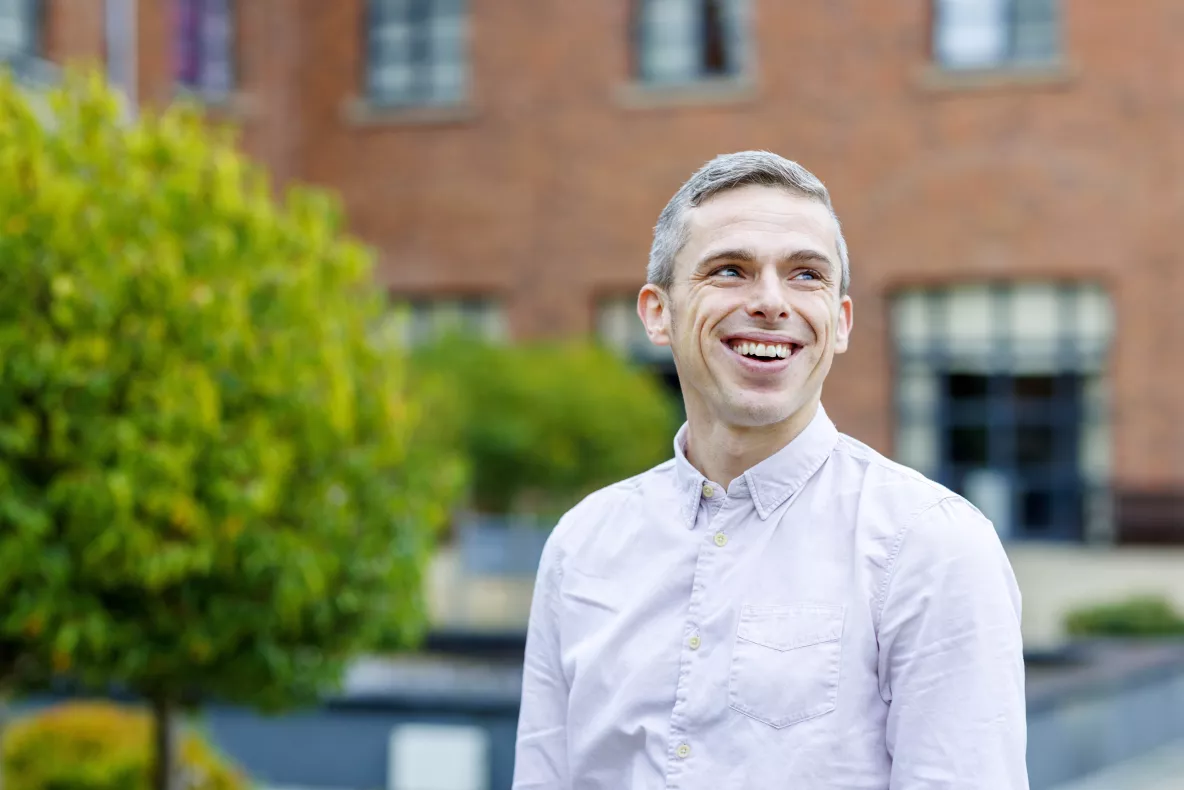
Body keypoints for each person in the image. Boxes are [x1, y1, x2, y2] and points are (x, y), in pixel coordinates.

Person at [511, 151, 1028, 789]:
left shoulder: (931, 546)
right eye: (730, 270)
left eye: (806, 275)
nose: (770, 302)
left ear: (839, 324)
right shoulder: (581, 544)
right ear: (657, 313)